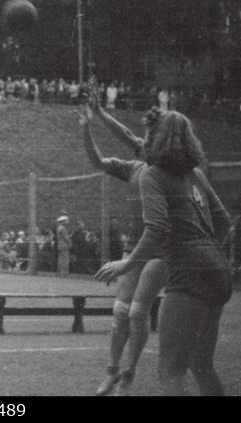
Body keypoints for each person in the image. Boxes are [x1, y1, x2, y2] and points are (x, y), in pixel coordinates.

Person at [96, 108, 232, 396]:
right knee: (202, 365)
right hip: (218, 270)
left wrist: (127, 264)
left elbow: (156, 228)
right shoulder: (196, 173)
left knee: (170, 370)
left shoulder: (152, 175)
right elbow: (223, 221)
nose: (144, 138)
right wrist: (204, 250)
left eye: (149, 133)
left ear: (157, 137)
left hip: (188, 273)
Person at [78, 94, 168, 396]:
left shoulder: (167, 166)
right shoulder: (133, 168)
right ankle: (112, 373)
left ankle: (127, 376)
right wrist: (88, 127)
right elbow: (97, 160)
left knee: (137, 313)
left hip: (160, 251)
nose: (142, 141)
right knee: (120, 314)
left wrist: (101, 113)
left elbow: (129, 136)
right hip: (134, 248)